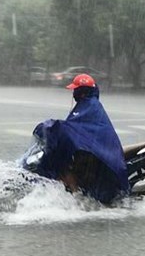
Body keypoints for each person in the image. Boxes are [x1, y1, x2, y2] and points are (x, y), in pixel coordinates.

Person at [32, 74, 129, 204]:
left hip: (100, 154)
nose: (74, 93)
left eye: (76, 90)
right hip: (91, 150)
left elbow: (72, 127)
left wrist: (54, 127)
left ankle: (77, 196)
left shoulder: (90, 106)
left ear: (82, 92)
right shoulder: (86, 104)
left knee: (63, 167)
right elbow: (74, 128)